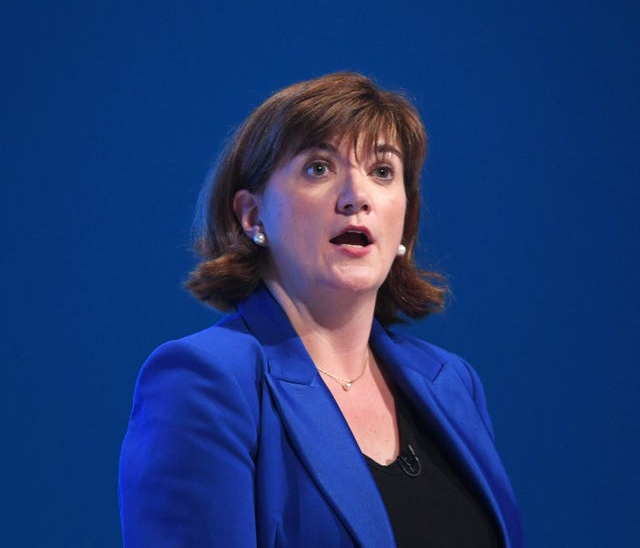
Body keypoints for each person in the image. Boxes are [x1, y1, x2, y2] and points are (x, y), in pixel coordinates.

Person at [119, 72, 524, 547]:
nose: (357, 197)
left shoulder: (452, 382)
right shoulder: (205, 381)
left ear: (406, 221)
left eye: (382, 171)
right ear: (252, 216)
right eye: (318, 168)